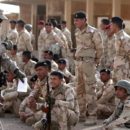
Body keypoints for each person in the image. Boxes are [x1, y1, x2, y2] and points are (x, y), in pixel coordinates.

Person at [74, 11, 103, 126]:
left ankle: (92, 116)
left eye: (77, 20)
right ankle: (81, 114)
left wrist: (96, 61)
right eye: (75, 20)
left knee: (90, 90)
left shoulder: (93, 31)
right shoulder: (77, 32)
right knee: (79, 90)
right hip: (79, 63)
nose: (75, 22)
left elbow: (100, 48)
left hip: (88, 63)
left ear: (84, 20)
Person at [110, 17, 130, 83]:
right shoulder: (116, 37)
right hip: (116, 69)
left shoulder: (124, 38)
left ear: (115, 25)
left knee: (124, 90)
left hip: (123, 71)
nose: (110, 27)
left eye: (111, 25)